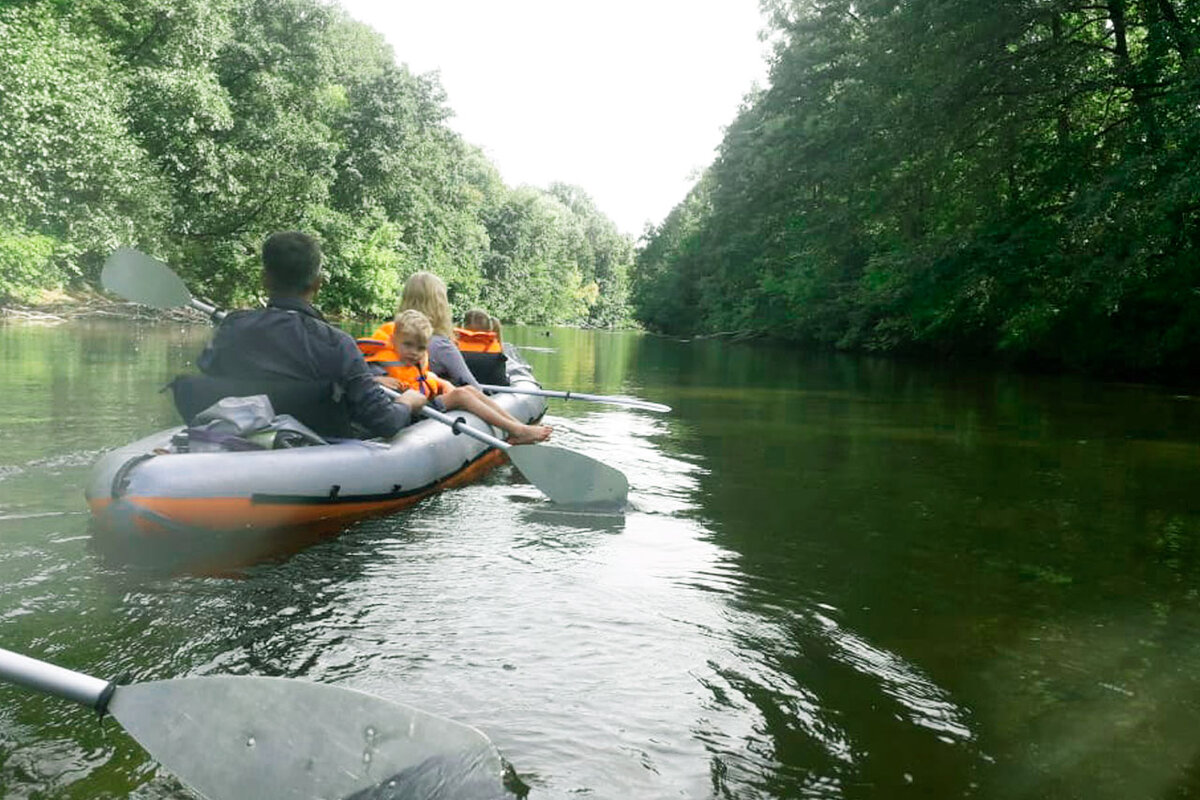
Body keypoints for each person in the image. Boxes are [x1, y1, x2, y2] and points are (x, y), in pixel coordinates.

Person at [179, 231, 426, 439]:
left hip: (242, 437)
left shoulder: (232, 328)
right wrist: (408, 402)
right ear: (317, 283)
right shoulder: (337, 343)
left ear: (265, 279)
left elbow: (210, 369)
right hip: (315, 446)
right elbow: (385, 422)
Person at [366, 310, 551, 445]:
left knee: (468, 390)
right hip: (405, 413)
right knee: (461, 395)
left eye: (421, 348)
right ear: (394, 338)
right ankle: (518, 430)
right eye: (408, 345)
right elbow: (357, 383)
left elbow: (420, 377)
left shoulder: (407, 358)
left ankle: (517, 426)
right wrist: (375, 380)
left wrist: (439, 382)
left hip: (421, 405)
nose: (415, 353)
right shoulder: (377, 363)